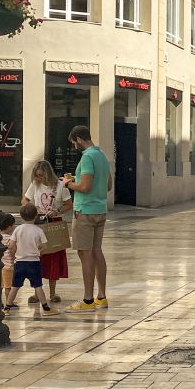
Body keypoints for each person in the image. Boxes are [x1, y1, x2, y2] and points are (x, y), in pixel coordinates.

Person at [61, 126, 112, 313]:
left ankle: (88, 300)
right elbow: (108, 184)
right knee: (97, 251)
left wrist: (68, 183)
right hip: (100, 209)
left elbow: (85, 187)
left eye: (74, 142)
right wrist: (79, 178)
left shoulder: (87, 157)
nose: (74, 146)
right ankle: (101, 297)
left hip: (84, 211)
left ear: (79, 139)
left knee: (85, 254)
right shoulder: (102, 155)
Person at [22, 160, 72, 303]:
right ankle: (37, 292)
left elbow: (69, 204)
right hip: (39, 222)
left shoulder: (60, 186)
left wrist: (57, 211)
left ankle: (53, 292)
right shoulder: (35, 185)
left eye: (42, 175)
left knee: (54, 257)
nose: (41, 178)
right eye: (38, 176)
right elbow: (25, 200)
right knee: (38, 256)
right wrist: (33, 209)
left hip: (54, 222)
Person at [3, 204, 59, 316]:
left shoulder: (18, 229)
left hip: (20, 262)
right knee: (38, 286)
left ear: (21, 216)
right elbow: (45, 246)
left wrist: (15, 252)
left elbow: (11, 244)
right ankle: (46, 309)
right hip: (34, 262)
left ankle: (7, 308)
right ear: (36, 215)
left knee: (15, 286)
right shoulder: (38, 230)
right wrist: (39, 251)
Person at [0, 213, 16, 305]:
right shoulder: (10, 239)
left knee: (0, 286)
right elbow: (13, 251)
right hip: (8, 266)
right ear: (9, 227)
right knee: (8, 286)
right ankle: (9, 303)